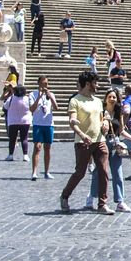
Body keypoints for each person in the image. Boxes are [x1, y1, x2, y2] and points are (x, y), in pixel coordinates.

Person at [60, 71, 113, 215]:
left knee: (103, 171)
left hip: (100, 140)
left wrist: (106, 123)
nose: (98, 85)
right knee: (80, 172)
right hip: (83, 142)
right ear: (88, 84)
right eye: (95, 83)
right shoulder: (75, 101)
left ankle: (102, 204)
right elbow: (72, 121)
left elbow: (103, 117)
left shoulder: (97, 101)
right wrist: (81, 134)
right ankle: (65, 195)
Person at [30, 77, 57, 180]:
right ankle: (34, 172)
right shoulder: (33, 94)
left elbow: (56, 107)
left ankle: (46, 172)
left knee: (47, 148)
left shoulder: (51, 94)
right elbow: (31, 109)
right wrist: (40, 96)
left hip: (49, 124)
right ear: (38, 84)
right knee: (37, 147)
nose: (45, 86)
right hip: (38, 123)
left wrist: (50, 96)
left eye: (46, 84)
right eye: (43, 83)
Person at [5, 84, 32, 163]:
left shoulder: (11, 98)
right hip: (25, 121)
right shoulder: (27, 99)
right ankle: (25, 155)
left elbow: (5, 107)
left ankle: (10, 155)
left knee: (12, 139)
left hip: (13, 121)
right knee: (24, 138)